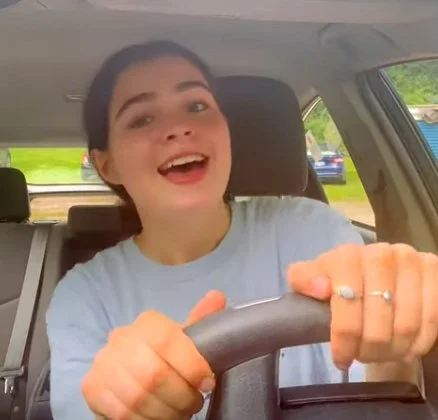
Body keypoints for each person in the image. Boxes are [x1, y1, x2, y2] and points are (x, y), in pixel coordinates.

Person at [46, 40, 438, 420]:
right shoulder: (84, 295)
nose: (179, 127)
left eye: (197, 105)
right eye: (142, 119)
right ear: (107, 165)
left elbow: (374, 394)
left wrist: (396, 332)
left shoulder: (311, 228)